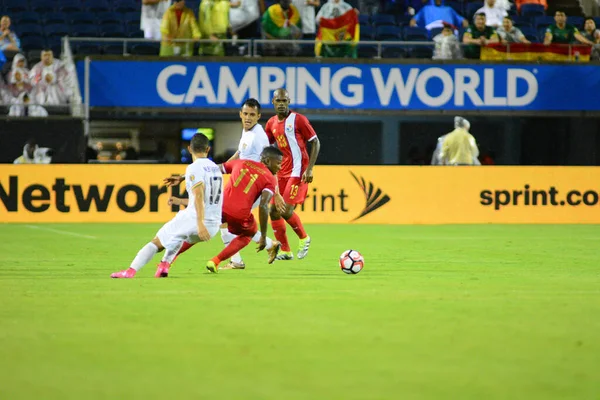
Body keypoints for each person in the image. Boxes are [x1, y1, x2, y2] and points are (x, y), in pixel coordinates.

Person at [111, 133, 223, 278]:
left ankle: (130, 271)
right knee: (177, 236)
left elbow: (199, 196)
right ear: (208, 149)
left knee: (157, 242)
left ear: (189, 149)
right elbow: (208, 199)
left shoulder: (193, 168)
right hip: (214, 225)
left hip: (198, 221)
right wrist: (181, 201)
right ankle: (164, 266)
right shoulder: (215, 169)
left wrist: (200, 223)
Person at [206, 146, 284, 273]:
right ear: (268, 161)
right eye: (279, 163)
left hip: (233, 199)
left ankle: (168, 260)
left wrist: (188, 175)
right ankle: (268, 245)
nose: (280, 167)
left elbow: (216, 169)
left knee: (240, 229)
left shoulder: (244, 159)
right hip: (241, 200)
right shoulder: (267, 175)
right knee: (245, 232)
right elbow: (264, 205)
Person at [265, 88, 321, 261]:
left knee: (286, 210)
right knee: (273, 210)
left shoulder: (298, 120)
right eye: (278, 101)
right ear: (273, 102)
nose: (281, 104)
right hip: (281, 172)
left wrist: (310, 168)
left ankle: (304, 238)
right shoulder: (271, 123)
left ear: (289, 102)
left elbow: (316, 142)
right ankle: (285, 250)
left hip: (299, 171)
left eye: (284, 101)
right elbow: (267, 148)